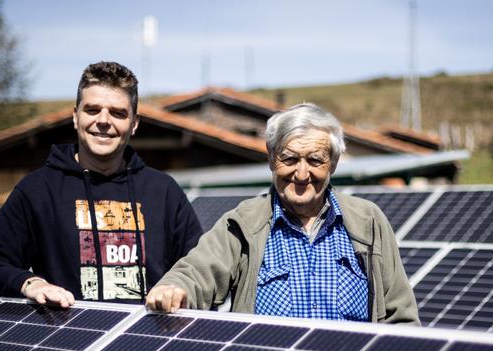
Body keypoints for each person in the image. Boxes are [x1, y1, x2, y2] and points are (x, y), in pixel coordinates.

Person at [146, 103, 419, 325]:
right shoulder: (243, 224)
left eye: (315, 160)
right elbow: (197, 271)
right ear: (271, 158)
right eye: (289, 159)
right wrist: (174, 288)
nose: (301, 174)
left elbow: (401, 317)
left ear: (333, 164)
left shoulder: (367, 222)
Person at [0, 61, 202, 306]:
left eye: (118, 113)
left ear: (134, 123)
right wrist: (31, 283)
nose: (103, 121)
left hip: (150, 342)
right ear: (75, 117)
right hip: (67, 341)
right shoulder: (38, 191)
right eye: (92, 110)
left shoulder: (164, 192)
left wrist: (179, 288)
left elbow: (198, 268)